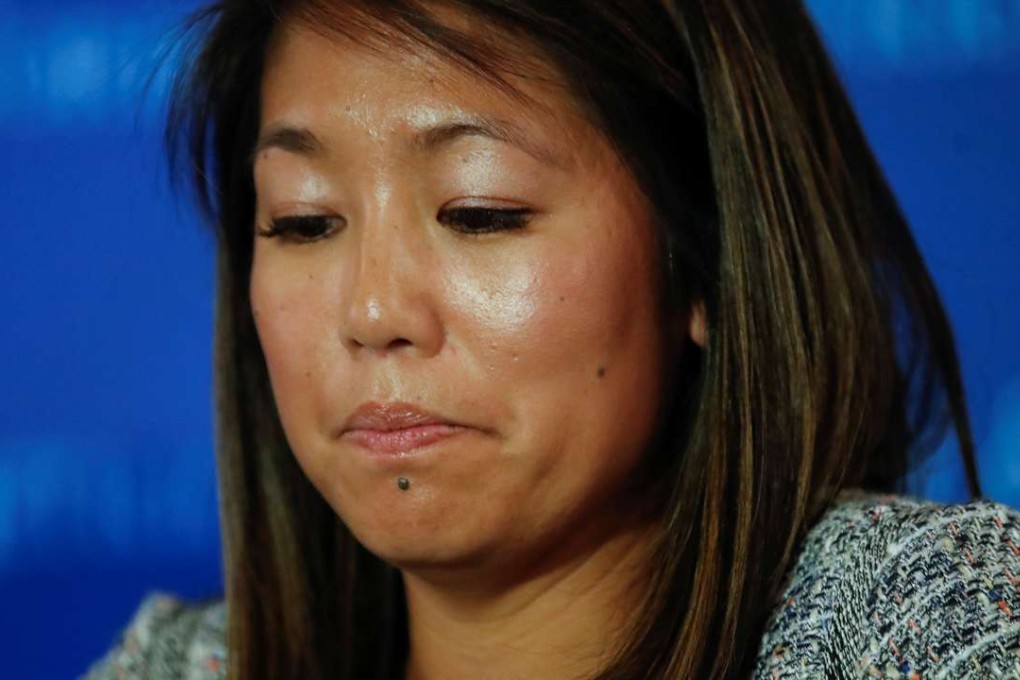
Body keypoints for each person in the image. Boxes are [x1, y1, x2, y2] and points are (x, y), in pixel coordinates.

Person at [85, 0, 1020, 678]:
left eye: (480, 212)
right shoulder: (180, 667)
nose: (371, 314)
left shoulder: (926, 624)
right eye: (304, 222)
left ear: (706, 261)